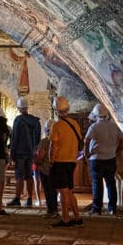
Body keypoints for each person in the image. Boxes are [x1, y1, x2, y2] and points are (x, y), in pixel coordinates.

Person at [47, 96, 84, 227]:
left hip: (60, 161)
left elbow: (54, 146)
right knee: (68, 190)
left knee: (63, 192)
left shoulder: (57, 126)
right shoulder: (74, 124)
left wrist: (51, 161)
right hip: (72, 161)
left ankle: (66, 219)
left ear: (56, 111)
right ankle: (77, 217)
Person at [84, 104, 122, 215]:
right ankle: (112, 208)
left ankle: (97, 208)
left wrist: (87, 153)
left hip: (96, 159)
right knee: (111, 183)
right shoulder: (114, 126)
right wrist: (117, 151)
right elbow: (122, 139)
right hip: (111, 158)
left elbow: (86, 140)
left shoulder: (94, 127)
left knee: (97, 184)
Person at [9, 98, 42, 209]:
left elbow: (14, 139)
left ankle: (17, 199)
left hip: (20, 153)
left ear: (19, 108)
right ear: (27, 107)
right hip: (31, 153)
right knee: (29, 176)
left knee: (19, 176)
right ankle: (29, 199)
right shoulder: (36, 122)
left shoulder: (18, 120)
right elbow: (38, 139)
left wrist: (12, 155)